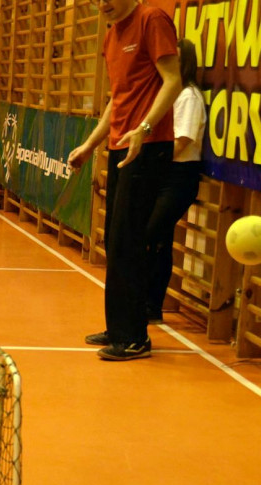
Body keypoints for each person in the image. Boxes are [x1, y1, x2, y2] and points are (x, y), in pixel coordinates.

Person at [67, 0, 181, 361]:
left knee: (129, 241)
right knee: (116, 241)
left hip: (148, 146)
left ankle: (134, 337)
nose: (103, 4)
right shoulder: (111, 35)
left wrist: (143, 129)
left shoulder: (152, 19)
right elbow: (117, 100)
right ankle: (120, 327)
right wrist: (89, 145)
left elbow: (173, 81)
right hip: (121, 145)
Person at [145, 38, 207, 323]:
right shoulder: (166, 93)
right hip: (162, 173)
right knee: (158, 239)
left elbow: (181, 142)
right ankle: (150, 305)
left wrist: (149, 160)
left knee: (153, 233)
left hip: (179, 176)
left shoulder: (189, 97)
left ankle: (151, 304)